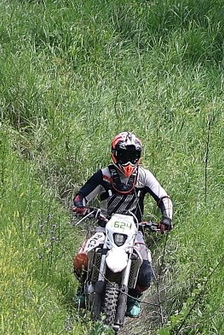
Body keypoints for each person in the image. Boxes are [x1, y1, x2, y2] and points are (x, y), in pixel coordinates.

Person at [70, 132, 174, 317]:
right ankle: (82, 288)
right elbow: (82, 196)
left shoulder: (144, 176)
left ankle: (133, 297)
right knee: (82, 258)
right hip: (104, 226)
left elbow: (163, 197)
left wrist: (166, 218)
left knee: (146, 271)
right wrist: (80, 206)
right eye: (123, 156)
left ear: (138, 157)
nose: (127, 163)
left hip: (135, 230)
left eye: (132, 157)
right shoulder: (104, 175)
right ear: (114, 154)